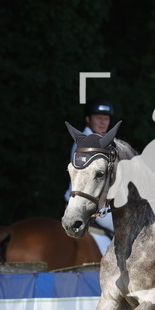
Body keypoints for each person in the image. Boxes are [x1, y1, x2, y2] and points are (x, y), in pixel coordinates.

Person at [66, 98, 115, 252]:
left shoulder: (101, 141)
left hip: (94, 200)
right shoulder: (87, 143)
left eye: (106, 119)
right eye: (98, 118)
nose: (103, 122)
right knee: (126, 226)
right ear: (88, 119)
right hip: (87, 202)